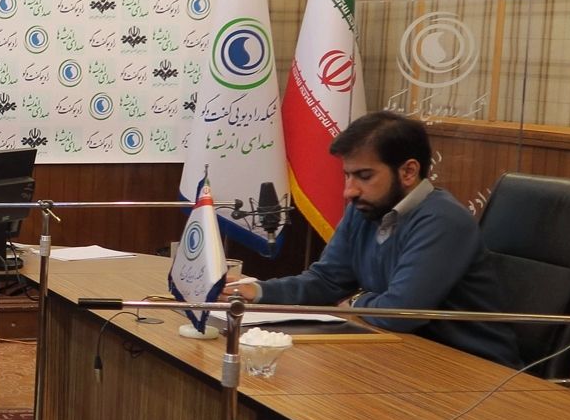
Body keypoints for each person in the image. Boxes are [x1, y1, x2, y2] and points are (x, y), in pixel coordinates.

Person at [223, 111, 521, 367]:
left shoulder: (443, 220)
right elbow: (326, 281)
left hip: (474, 366)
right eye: (347, 175)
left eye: (364, 176)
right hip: (405, 354)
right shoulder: (365, 209)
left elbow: (399, 313)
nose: (349, 191)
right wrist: (257, 290)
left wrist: (352, 301)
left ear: (408, 172)